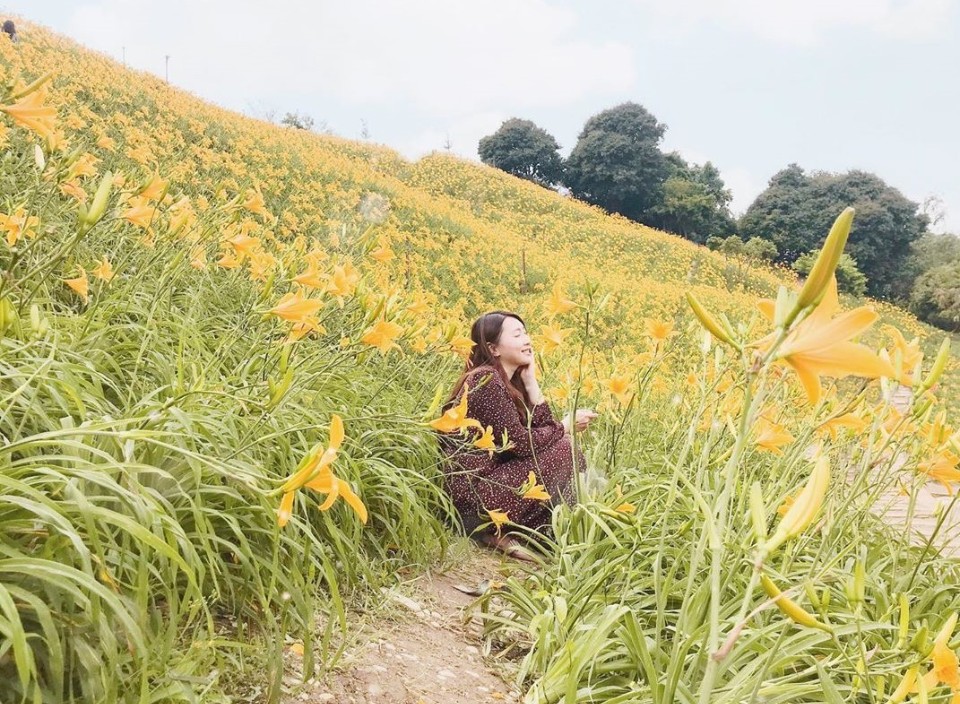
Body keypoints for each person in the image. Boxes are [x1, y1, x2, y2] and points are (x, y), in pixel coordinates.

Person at [435, 310, 598, 561]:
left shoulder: (507, 383)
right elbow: (521, 444)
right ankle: (506, 531)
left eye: (526, 332)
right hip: (472, 498)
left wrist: (531, 382)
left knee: (565, 447)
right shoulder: (485, 379)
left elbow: (542, 432)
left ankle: (554, 534)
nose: (527, 339)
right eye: (517, 334)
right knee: (565, 447)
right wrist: (565, 425)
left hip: (488, 489)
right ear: (494, 348)